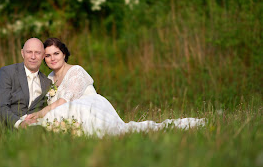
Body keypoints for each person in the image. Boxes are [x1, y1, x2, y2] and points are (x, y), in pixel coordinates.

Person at [27, 38, 205, 137]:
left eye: (56, 53)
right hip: (68, 111)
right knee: (47, 123)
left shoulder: (76, 71)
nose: (52, 58)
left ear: (64, 54)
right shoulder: (49, 79)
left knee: (59, 114)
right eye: (48, 56)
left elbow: (62, 102)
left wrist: (40, 114)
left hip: (90, 107)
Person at [0, 38, 52, 131]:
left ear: (43, 55)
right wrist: (20, 123)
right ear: (22, 53)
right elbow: (1, 106)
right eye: (29, 52)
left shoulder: (47, 82)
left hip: (33, 128)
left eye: (37, 53)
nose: (33, 57)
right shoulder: (7, 72)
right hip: (8, 124)